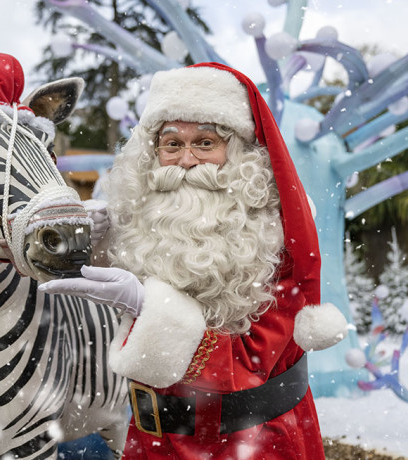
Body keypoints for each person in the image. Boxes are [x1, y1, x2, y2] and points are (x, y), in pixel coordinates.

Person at [40, 63, 347, 459]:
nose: (186, 160)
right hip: (152, 442)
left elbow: (250, 363)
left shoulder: (275, 235)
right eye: (172, 144)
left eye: (205, 142)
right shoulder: (144, 223)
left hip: (253, 441)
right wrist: (95, 245)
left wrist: (148, 308)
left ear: (237, 152)